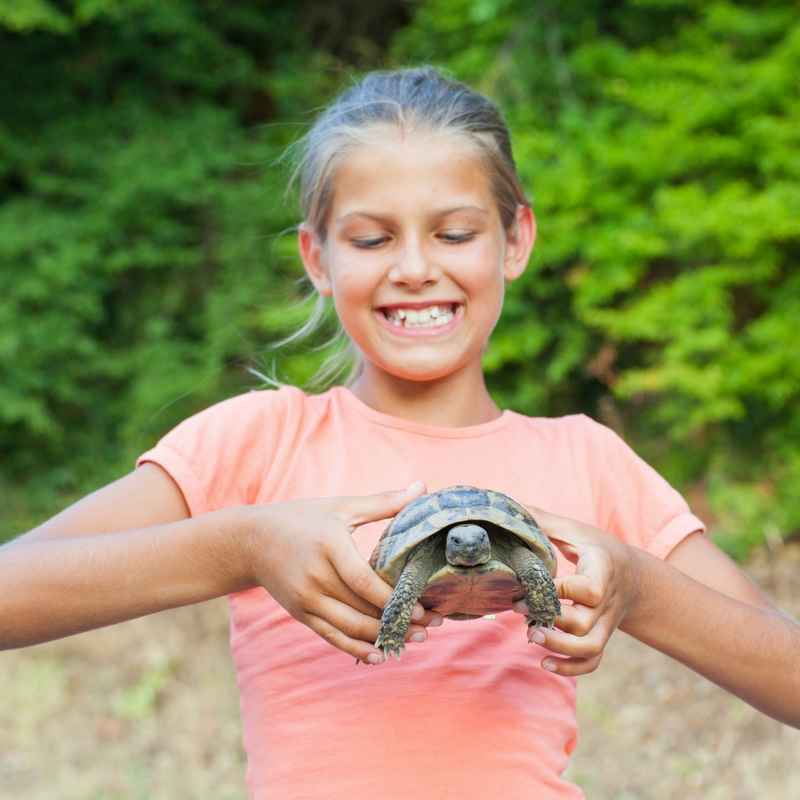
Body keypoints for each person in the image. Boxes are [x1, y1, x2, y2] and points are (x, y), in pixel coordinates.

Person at [1, 67, 799, 799]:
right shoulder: (259, 441)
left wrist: (637, 583)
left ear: (515, 239)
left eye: (453, 234)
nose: (415, 267)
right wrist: (241, 546)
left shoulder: (585, 458)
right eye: (372, 238)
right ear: (318, 257)